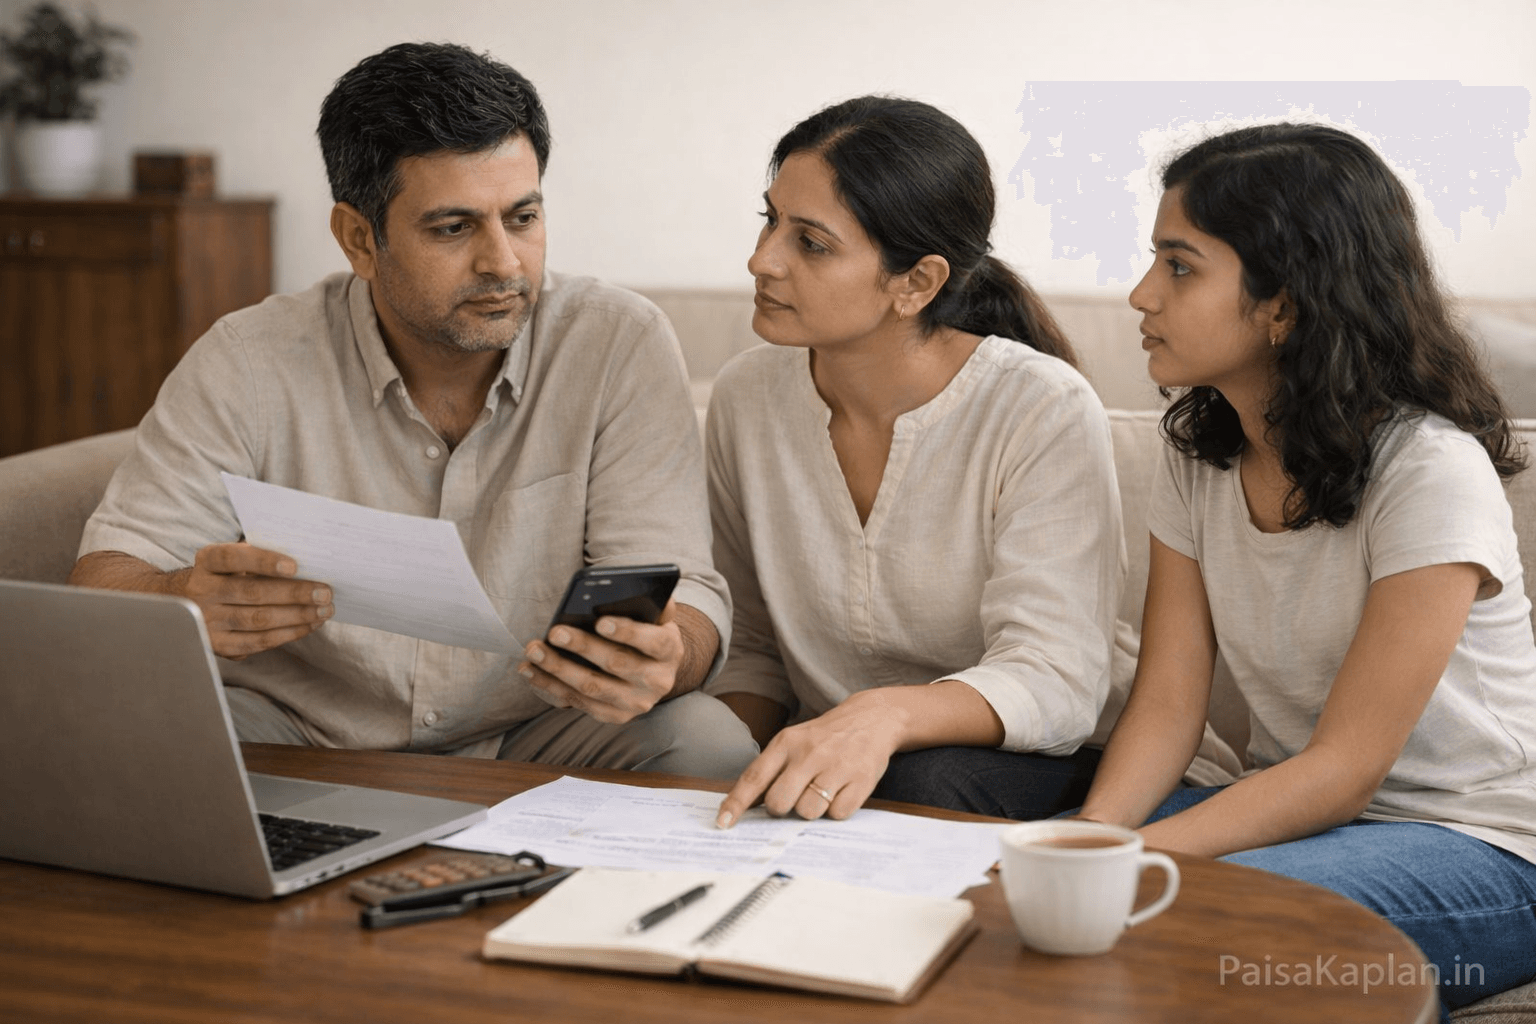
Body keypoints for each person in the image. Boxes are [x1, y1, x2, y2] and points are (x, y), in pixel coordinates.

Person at [68, 42, 757, 779]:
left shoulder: (618, 341)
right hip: (300, 732)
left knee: (707, 743)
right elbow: (108, 577)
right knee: (107, 736)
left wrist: (666, 656)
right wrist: (180, 598)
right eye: (453, 228)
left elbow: (685, 594)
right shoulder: (247, 358)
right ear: (358, 240)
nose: (503, 262)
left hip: (536, 729)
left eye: (522, 217)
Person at [1076, 123, 1536, 1020]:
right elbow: (1168, 703)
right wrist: (1091, 839)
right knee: (1022, 850)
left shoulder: (1430, 470)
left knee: (1203, 910)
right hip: (1300, 819)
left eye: (1179, 266)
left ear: (1283, 305)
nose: (1141, 294)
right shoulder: (1199, 459)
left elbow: (1345, 769)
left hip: (1484, 843)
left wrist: (1134, 860)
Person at [709, 97, 1124, 829]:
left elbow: (1054, 680)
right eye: (769, 221)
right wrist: (717, 777)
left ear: (917, 283)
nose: (761, 260)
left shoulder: (1040, 406)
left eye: (811, 243)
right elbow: (750, 648)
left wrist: (882, 717)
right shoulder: (747, 395)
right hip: (841, 764)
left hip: (1038, 760)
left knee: (917, 782)